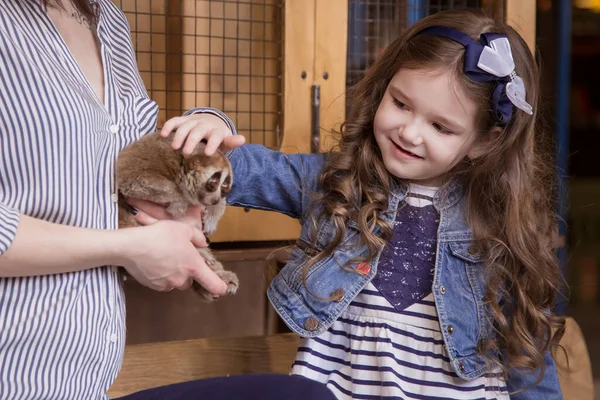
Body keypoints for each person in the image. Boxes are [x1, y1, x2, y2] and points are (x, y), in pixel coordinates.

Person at [155, 8, 566, 400]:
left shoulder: (497, 227)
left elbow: (527, 356)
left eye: (440, 126)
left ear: (484, 141)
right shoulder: (335, 183)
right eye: (401, 104)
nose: (409, 132)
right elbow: (240, 167)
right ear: (383, 86)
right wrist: (212, 125)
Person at [0, 1, 336, 399]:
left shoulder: (107, 20)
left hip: (85, 382)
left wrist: (207, 125)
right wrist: (130, 247)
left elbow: (134, 157)